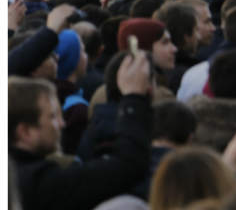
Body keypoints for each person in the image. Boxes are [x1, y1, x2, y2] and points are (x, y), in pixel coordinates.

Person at [9, 52, 153, 209]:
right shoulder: (37, 183)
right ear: (24, 132)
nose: (62, 124)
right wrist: (133, 98)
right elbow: (127, 167)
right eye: (52, 117)